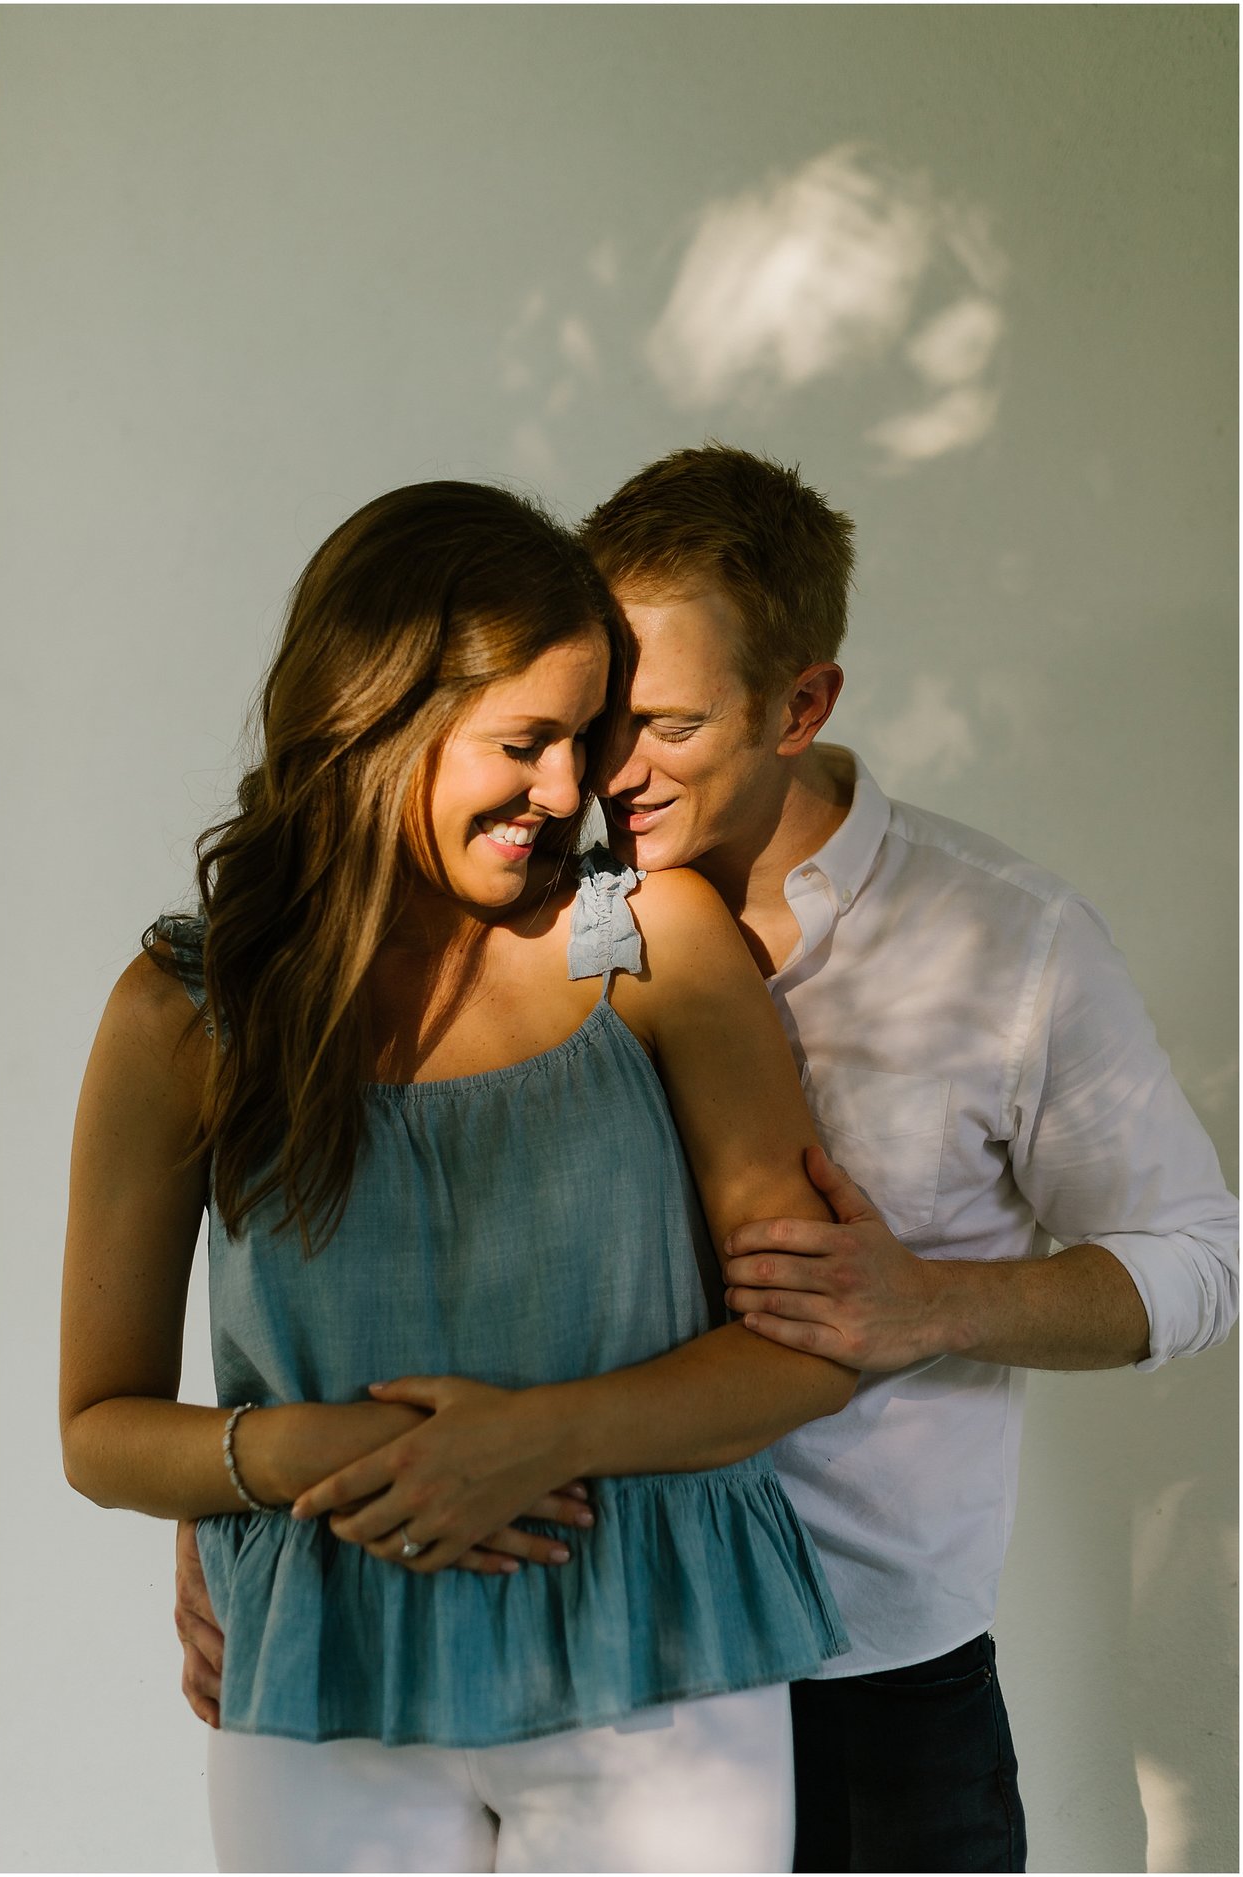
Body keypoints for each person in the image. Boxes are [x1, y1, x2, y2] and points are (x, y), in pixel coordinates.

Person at [173, 445, 1238, 1873]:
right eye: (587, 715)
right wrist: (241, 1494)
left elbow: (1201, 1259)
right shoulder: (534, 913)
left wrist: (934, 1303)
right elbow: (375, 1242)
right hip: (576, 1641)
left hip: (871, 1691)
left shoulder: (1006, 943)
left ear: (804, 703)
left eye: (658, 724)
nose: (601, 770)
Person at [63, 481, 864, 1873]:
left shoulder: (647, 946)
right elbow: (100, 1429)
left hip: (656, 1647)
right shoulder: (188, 1012)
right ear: (377, 723)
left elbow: (810, 1349)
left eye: (589, 737)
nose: (573, 791)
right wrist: (294, 1453)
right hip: (327, 1663)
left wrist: (536, 1437)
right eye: (528, 741)